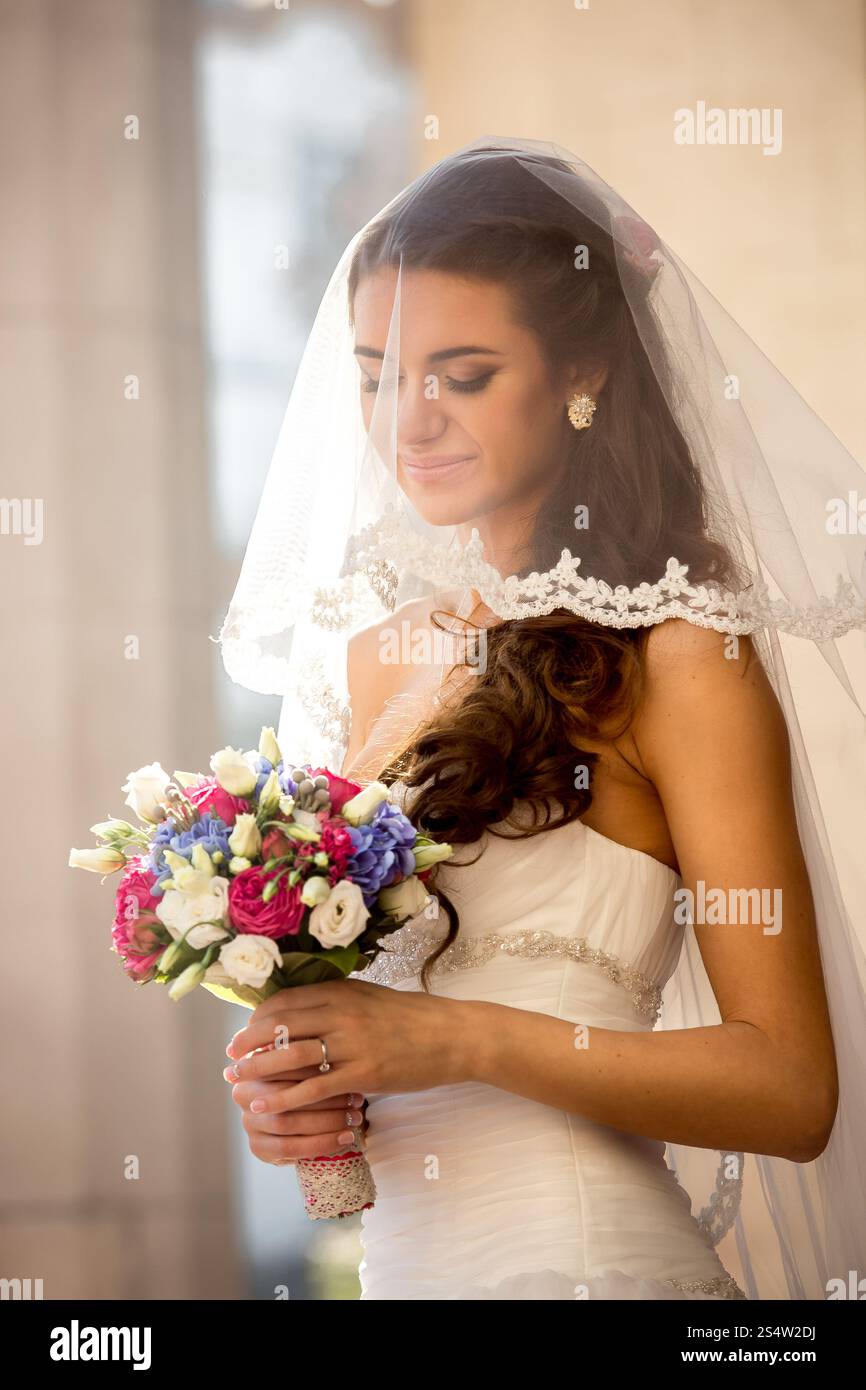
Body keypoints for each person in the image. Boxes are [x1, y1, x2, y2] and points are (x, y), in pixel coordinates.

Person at [218, 137, 866, 1300]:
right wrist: (307, 1091)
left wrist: (453, 1044)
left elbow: (790, 1089)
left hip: (579, 1262)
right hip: (405, 1265)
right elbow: (378, 1020)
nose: (406, 423)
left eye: (460, 375)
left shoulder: (676, 658)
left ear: (586, 370)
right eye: (375, 373)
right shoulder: (374, 662)